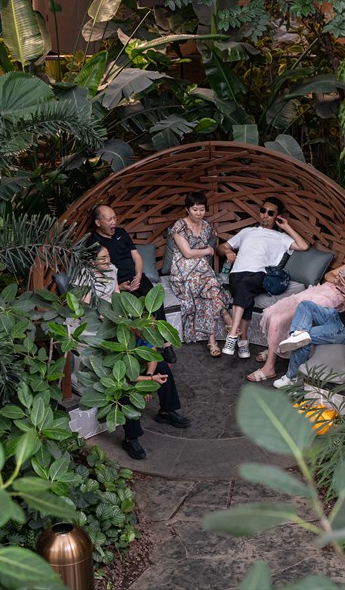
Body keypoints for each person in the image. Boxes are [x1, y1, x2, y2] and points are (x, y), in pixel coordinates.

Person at [74, 246, 190, 460]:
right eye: (102, 257)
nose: (107, 260)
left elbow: (151, 347)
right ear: (91, 261)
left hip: (117, 317)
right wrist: (147, 379)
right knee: (125, 388)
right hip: (100, 324)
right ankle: (131, 438)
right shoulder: (84, 277)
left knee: (163, 366)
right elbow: (88, 307)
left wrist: (150, 377)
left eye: (108, 255)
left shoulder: (112, 271)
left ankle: (167, 410)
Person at [245, 243, 345, 382]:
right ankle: (276, 348)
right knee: (274, 311)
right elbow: (329, 275)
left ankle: (270, 366)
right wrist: (337, 280)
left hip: (331, 301)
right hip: (319, 291)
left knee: (282, 319)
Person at [217, 197, 309, 359]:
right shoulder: (247, 232)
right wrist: (228, 251)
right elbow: (220, 248)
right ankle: (243, 340)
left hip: (259, 275)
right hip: (236, 274)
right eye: (263, 210)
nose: (265, 215)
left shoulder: (280, 237)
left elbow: (303, 246)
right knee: (246, 295)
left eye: (270, 213)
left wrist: (286, 226)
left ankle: (232, 334)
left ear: (277, 216)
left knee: (245, 285)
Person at [88, 205, 177, 365]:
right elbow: (95, 271)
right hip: (117, 282)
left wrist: (138, 275)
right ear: (98, 222)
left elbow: (137, 257)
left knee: (155, 301)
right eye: (109, 220)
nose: (114, 222)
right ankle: (146, 350)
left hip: (136, 276)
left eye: (115, 218)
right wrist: (120, 287)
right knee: (135, 311)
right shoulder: (93, 243)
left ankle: (166, 344)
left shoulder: (121, 233)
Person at [168, 191, 232, 355]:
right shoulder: (179, 226)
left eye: (202, 209)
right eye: (195, 209)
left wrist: (212, 250)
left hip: (201, 270)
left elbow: (215, 242)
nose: (198, 213)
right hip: (182, 270)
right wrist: (207, 250)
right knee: (209, 285)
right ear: (187, 209)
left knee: (208, 291)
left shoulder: (207, 226)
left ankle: (212, 341)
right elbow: (187, 253)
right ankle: (225, 313)